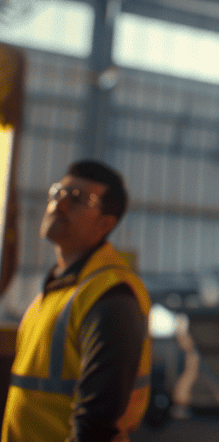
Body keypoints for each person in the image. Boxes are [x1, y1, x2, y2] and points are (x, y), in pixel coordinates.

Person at [2, 161, 150, 442]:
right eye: (58, 193)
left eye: (77, 199)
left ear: (106, 223)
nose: (59, 205)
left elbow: (97, 421)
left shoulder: (111, 296)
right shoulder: (56, 290)